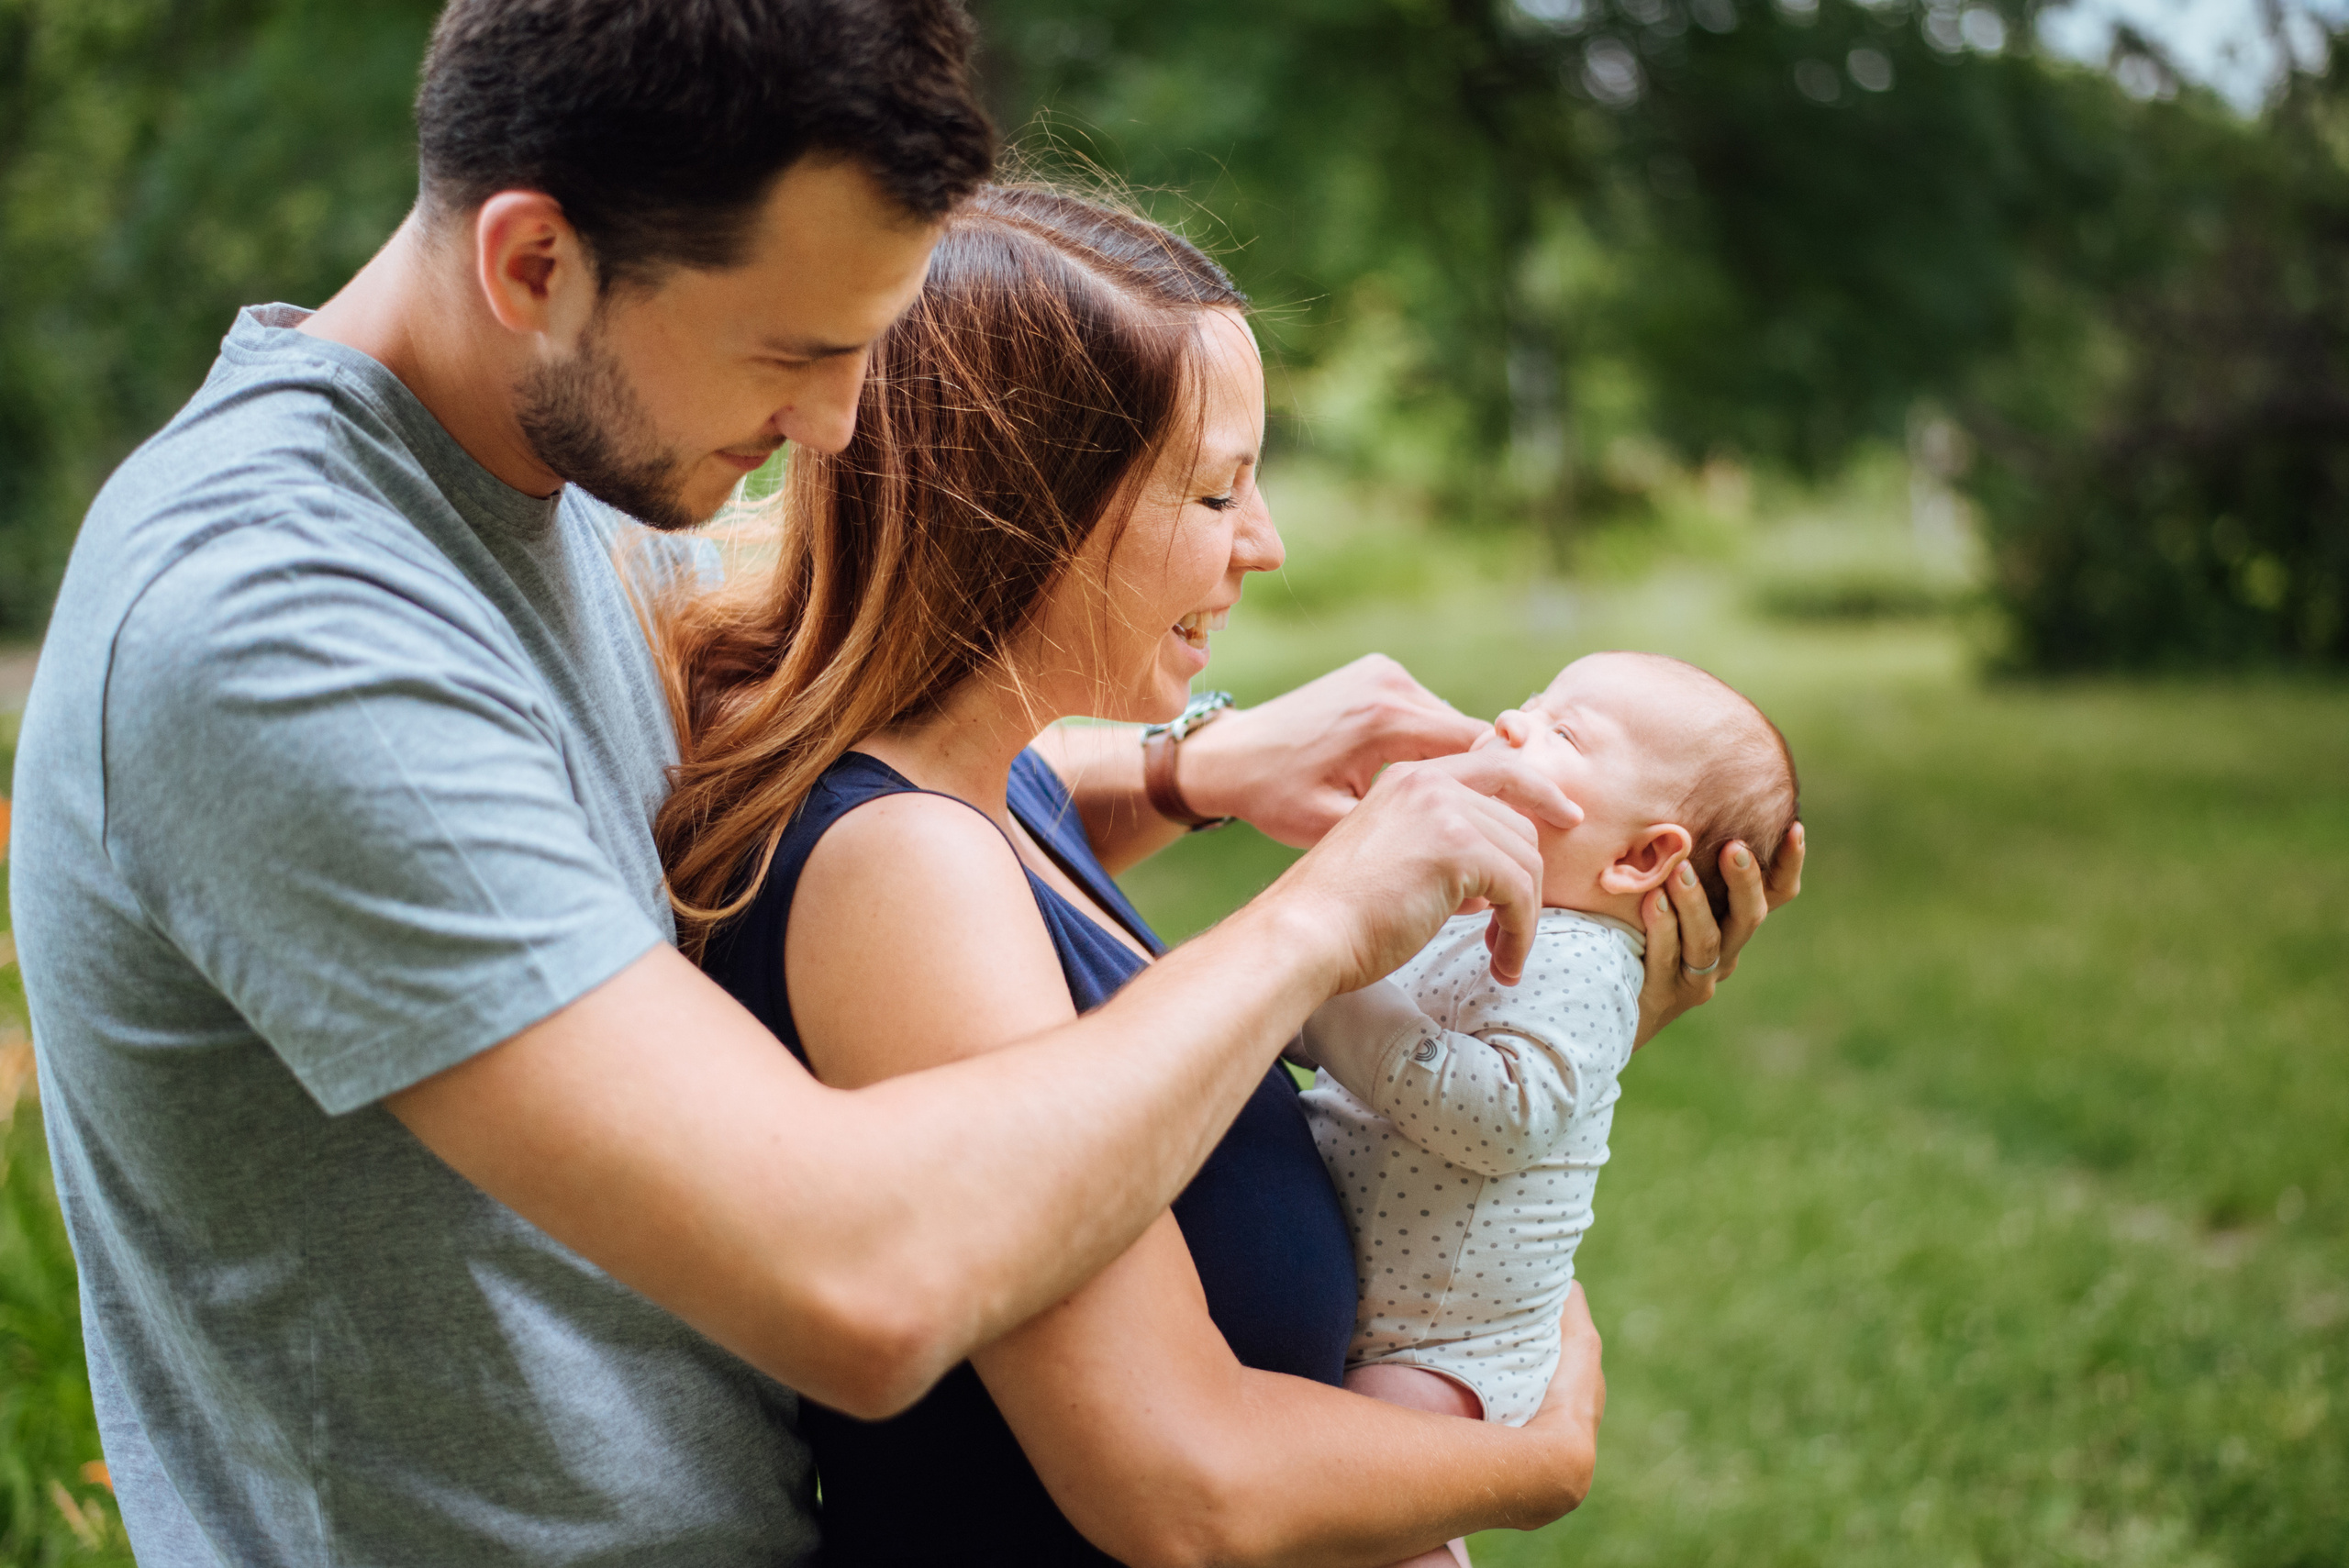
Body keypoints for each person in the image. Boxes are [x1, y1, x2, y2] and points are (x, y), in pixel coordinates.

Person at [6, 3, 1794, 1563]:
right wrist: (1328, 926)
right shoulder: (280, 629)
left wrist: (1190, 769)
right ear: (534, 262)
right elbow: (863, 1285)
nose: (856, 427)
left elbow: (847, 768)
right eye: (798, 351)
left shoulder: (560, 486)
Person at [666, 183, 1611, 1566]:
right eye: (1218, 488)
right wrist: (1532, 1458)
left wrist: (1195, 769)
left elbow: (1056, 848)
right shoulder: (902, 867)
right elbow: (1181, 1486)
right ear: (1026, 509)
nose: (1264, 541)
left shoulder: (997, 795)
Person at [1294, 651, 1801, 1566]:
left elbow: (1499, 1113)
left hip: (1441, 1343)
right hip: (1390, 1304)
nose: (1513, 722)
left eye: (1564, 733)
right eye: (1530, 702)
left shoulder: (1583, 962)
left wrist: (1324, 998)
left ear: (1641, 857)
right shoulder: (1471, 904)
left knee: (1353, 1516)